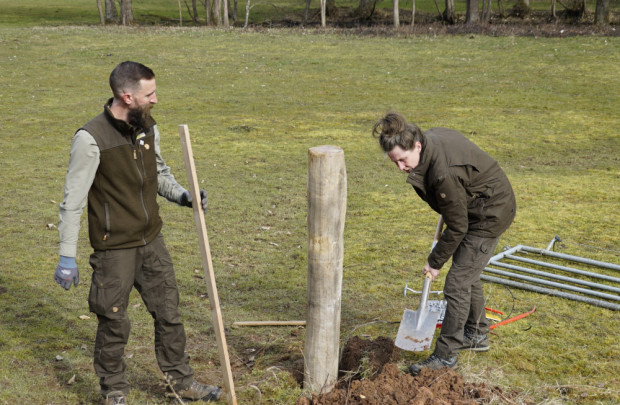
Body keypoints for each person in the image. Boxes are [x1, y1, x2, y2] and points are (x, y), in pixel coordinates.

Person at [54, 61, 222, 405]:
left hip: (151, 240)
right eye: (150, 94)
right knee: (114, 322)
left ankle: (181, 383)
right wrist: (66, 255)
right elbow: (72, 202)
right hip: (113, 248)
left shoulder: (146, 128)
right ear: (127, 96)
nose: (156, 99)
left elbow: (158, 173)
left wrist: (184, 196)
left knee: (169, 314)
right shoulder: (90, 139)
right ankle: (113, 391)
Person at [373, 112, 516, 375]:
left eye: (403, 160)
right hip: (473, 203)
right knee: (466, 271)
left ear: (416, 145)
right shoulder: (429, 141)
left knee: (457, 282)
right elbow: (454, 209)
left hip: (489, 213)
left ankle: (446, 356)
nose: (401, 168)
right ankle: (476, 333)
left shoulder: (443, 175)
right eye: (394, 162)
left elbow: (459, 226)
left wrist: (435, 261)